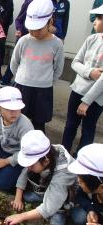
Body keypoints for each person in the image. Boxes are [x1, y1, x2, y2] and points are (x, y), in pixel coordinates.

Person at [10, 0, 64, 133]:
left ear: (50, 22)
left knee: (38, 124)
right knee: (18, 119)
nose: (34, 33)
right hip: (22, 85)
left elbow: (58, 68)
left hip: (43, 89)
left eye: (39, 29)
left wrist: (47, 81)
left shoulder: (56, 44)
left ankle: (39, 151)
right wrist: (22, 78)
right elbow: (14, 63)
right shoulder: (24, 40)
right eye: (31, 29)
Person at [5, 130, 77, 225]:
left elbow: (49, 207)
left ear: (46, 161)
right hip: (48, 187)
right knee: (27, 197)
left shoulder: (63, 174)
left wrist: (21, 216)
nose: (28, 167)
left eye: (31, 165)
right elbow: (25, 171)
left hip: (66, 198)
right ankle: (45, 197)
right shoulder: (46, 151)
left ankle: (61, 211)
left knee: (56, 219)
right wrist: (18, 196)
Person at [62, 5, 103, 156]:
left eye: (98, 18)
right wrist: (90, 72)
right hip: (78, 89)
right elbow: (75, 62)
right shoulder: (91, 39)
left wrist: (87, 101)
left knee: (88, 128)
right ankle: (64, 154)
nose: (94, 21)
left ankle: (82, 159)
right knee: (70, 124)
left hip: (96, 97)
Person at [0, 87, 34, 192]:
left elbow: (27, 152)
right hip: (3, 150)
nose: (14, 112)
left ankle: (20, 180)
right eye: (9, 109)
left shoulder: (25, 125)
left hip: (19, 157)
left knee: (2, 184)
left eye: (17, 108)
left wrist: (6, 162)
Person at [0, 0, 33, 86]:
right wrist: (19, 29)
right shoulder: (29, 2)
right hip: (24, 36)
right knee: (15, 59)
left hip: (40, 40)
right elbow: (18, 20)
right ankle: (5, 80)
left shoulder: (52, 3)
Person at [68, 144, 103, 225]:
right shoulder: (93, 187)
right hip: (93, 211)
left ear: (101, 187)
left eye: (82, 180)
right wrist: (90, 209)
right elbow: (79, 195)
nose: (78, 181)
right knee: (79, 218)